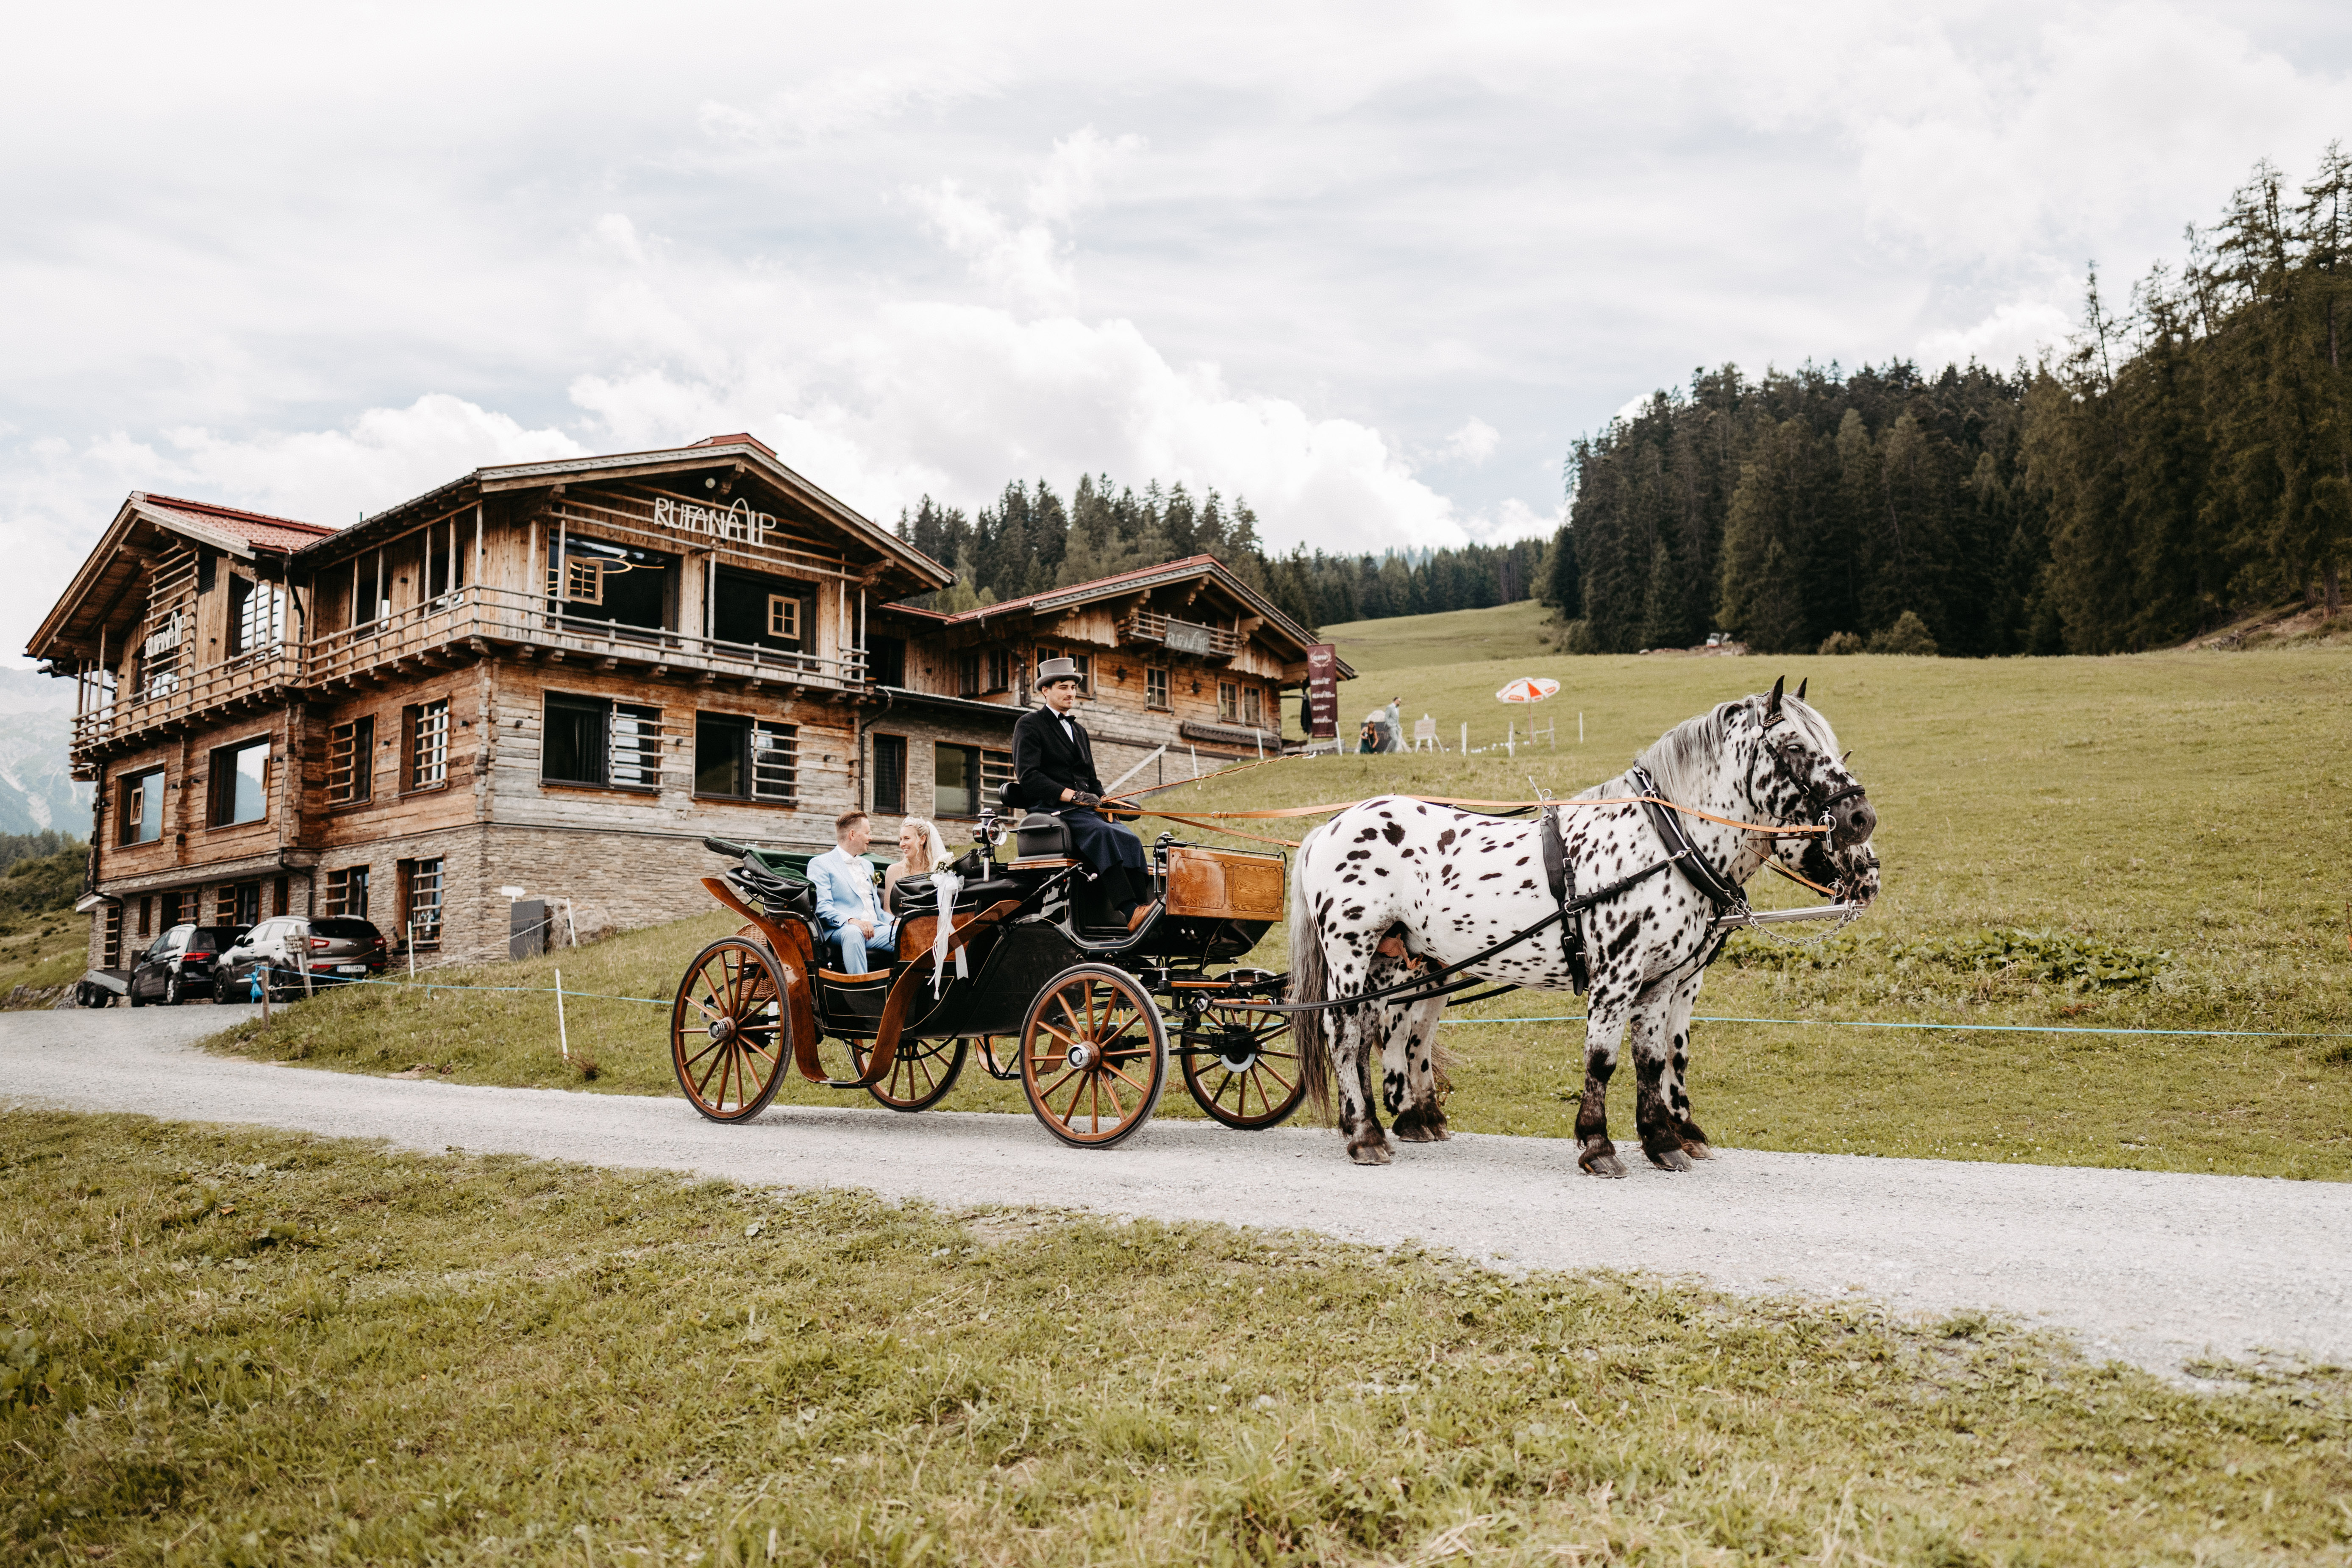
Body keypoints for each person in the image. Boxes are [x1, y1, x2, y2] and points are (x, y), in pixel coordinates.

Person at [1011, 656, 1154, 929]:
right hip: (1052, 809)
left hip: (1085, 809)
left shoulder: (1079, 730)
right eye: (1063, 687)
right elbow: (1029, 777)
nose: (1071, 693)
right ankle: (1128, 910)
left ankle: (1141, 908)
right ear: (1046, 691)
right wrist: (1072, 796)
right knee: (1104, 834)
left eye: (1074, 688)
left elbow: (1091, 778)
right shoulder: (1029, 724)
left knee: (1130, 838)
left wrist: (1107, 802)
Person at [809, 810, 898, 973]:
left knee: (908, 933)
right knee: (853, 933)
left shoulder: (868, 866)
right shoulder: (820, 864)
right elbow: (822, 907)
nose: (870, 838)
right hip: (840, 930)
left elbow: (876, 910)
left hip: (876, 928)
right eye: (867, 833)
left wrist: (894, 922)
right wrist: (853, 921)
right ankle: (861, 992)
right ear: (852, 834)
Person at [884, 816, 951, 901]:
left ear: (922, 840)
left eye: (907, 839)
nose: (902, 844)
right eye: (901, 839)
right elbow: (888, 911)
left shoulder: (938, 871)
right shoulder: (893, 871)